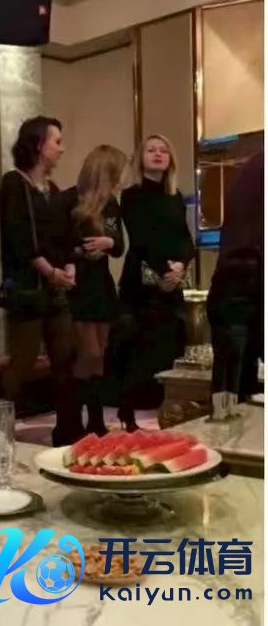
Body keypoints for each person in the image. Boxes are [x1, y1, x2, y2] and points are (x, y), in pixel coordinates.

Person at [0, 116, 79, 447]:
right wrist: (50, 272)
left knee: (65, 360)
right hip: (28, 290)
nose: (61, 148)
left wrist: (68, 267)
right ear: (38, 144)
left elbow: (64, 235)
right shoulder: (14, 183)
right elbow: (19, 237)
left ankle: (68, 433)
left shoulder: (53, 190)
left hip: (55, 289)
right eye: (56, 141)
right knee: (22, 364)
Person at [113, 134, 195, 431]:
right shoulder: (132, 195)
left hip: (172, 279)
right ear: (141, 158)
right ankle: (128, 414)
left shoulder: (175, 196)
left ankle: (167, 414)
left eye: (163, 150)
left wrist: (181, 265)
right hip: (142, 282)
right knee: (138, 349)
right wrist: (165, 271)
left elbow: (185, 238)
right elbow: (141, 237)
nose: (158, 154)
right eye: (151, 150)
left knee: (170, 347)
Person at [56, 145, 126, 436]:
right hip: (78, 286)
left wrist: (109, 243)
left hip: (101, 285)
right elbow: (58, 245)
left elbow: (119, 246)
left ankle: (96, 421)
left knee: (101, 356)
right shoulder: (68, 200)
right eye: (116, 174)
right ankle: (76, 419)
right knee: (89, 354)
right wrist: (81, 253)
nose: (120, 181)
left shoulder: (111, 204)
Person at [207, 149, 264, 418]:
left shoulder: (253, 167)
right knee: (234, 381)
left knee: (232, 380)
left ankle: (226, 423)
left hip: (236, 283)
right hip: (243, 283)